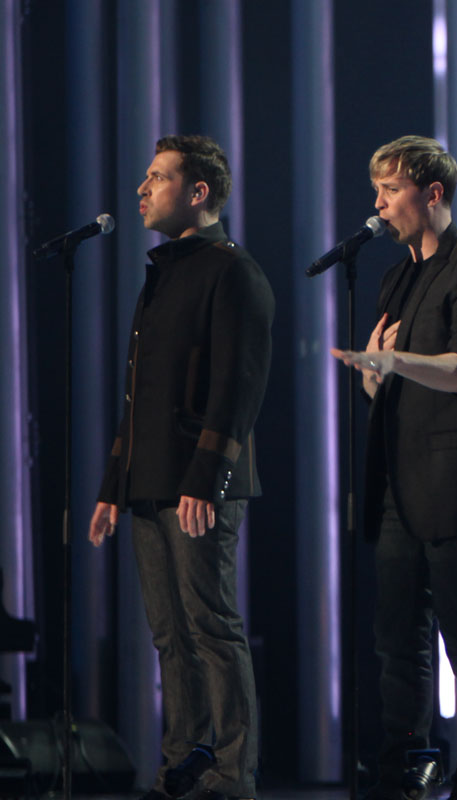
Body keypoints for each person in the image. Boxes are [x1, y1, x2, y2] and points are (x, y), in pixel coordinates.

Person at [89, 135, 274, 800]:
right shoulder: (163, 272)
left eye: (158, 177)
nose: (142, 189)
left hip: (198, 483)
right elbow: (139, 396)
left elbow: (237, 387)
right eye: (145, 177)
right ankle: (182, 763)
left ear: (197, 193)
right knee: (170, 634)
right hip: (148, 482)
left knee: (212, 626)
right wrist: (114, 487)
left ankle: (232, 771)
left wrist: (207, 480)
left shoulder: (232, 271)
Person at [331, 135, 457, 800]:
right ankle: (402, 768)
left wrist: (394, 362)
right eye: (376, 192)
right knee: (396, 639)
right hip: (398, 484)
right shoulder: (395, 276)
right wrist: (373, 376)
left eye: (390, 192)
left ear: (431, 194)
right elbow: (392, 386)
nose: (378, 206)